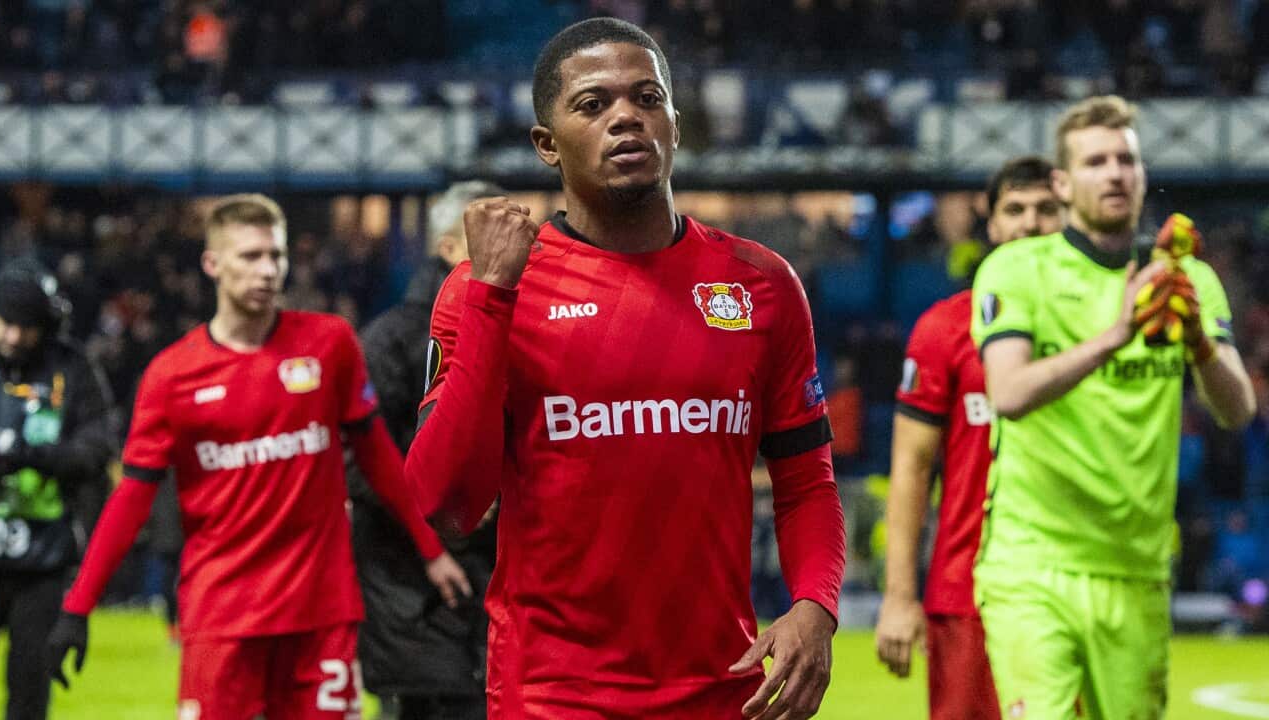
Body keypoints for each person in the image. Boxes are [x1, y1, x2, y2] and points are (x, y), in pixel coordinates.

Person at [404, 17, 846, 719]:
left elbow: (806, 479)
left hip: (727, 691)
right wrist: (490, 296)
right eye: (593, 105)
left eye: (647, 98)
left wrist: (816, 604)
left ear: (674, 122)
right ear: (547, 145)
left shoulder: (760, 284)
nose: (626, 119)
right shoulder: (486, 288)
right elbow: (445, 503)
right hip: (551, 697)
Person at [44, 194, 448, 720]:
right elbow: (131, 500)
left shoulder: (329, 345)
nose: (267, 271)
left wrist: (431, 548)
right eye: (250, 256)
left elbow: (377, 457)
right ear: (212, 264)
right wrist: (78, 606)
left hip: (320, 613)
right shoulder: (172, 376)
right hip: (223, 615)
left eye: (275, 256)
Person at [971, 96, 1257, 720]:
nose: (1115, 173)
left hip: (1138, 570)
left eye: (1126, 159)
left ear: (1143, 174)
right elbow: (1009, 394)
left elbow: (1239, 411)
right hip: (1032, 564)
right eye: (1096, 161)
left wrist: (1201, 343)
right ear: (1063, 182)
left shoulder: (1187, 282)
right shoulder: (1016, 269)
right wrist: (1115, 334)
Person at [875, 156, 1065, 720]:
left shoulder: (1101, 323)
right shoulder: (945, 328)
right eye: (1016, 210)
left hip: (1072, 587)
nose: (1031, 224)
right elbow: (911, 466)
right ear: (993, 224)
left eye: (1047, 210)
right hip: (968, 592)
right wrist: (898, 595)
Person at [346, 181, 502, 720]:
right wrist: (439, 525)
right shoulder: (387, 342)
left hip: (484, 595)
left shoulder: (520, 328)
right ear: (447, 248)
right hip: (411, 593)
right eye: (486, 233)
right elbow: (356, 461)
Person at [0, 260, 115, 720]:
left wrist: (24, 456)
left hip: (43, 562)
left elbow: (97, 448)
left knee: (27, 696)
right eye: (5, 323)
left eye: (26, 327)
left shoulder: (73, 368)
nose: (13, 337)